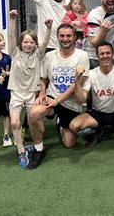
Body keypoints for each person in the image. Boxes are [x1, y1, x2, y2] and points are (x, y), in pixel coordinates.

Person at [27, 24, 90, 169]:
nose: (65, 39)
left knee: (69, 144)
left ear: (74, 37)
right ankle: (39, 149)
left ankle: (60, 123)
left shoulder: (82, 55)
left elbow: (77, 84)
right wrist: (42, 93)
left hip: (70, 103)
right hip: (51, 97)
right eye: (62, 36)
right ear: (57, 37)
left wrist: (58, 101)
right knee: (34, 113)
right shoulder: (49, 56)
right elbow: (43, 79)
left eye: (69, 36)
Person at [7, 10, 52, 168]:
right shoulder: (15, 53)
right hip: (16, 94)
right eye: (25, 42)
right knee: (14, 123)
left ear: (35, 44)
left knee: (33, 121)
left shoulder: (38, 55)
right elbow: (11, 37)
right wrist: (12, 20)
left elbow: (45, 43)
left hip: (31, 94)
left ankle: (37, 146)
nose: (28, 45)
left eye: (31, 42)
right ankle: (21, 151)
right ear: (21, 43)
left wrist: (48, 28)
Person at [84, 0, 114, 69]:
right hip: (94, 56)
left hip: (111, 53)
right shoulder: (94, 16)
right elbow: (94, 43)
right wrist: (103, 32)